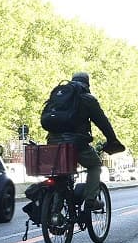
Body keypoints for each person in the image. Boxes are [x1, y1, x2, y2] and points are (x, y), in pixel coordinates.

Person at [45, 72, 126, 211]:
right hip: (76, 144)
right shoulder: (87, 99)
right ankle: (90, 200)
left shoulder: (58, 96)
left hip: (53, 143)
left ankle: (54, 212)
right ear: (87, 84)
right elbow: (103, 122)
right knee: (95, 166)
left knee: (60, 173)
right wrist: (112, 139)